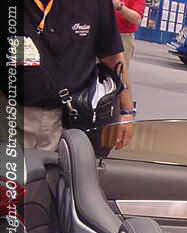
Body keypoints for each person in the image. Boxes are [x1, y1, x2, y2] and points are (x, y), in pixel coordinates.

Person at [20, 0, 135, 151]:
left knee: (63, 165)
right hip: (14, 114)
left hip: (70, 120)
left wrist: (127, 112)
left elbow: (113, 58)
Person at [114, 0, 145, 71]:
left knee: (119, 70)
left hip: (123, 38)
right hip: (101, 32)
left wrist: (120, 7)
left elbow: (137, 19)